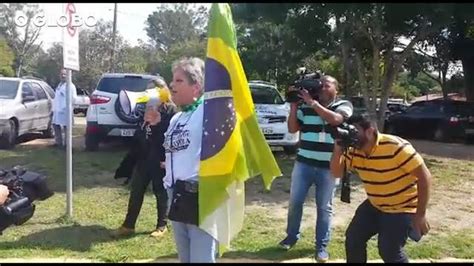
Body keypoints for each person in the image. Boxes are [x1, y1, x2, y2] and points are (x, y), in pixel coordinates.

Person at [329, 113, 432, 263]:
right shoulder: (353, 150)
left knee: (389, 251)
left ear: (369, 131)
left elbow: (425, 178)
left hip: (401, 207)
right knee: (353, 239)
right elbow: (336, 173)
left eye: (355, 131)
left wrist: (420, 214)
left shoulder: (396, 147)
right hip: (375, 203)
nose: (352, 135)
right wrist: (338, 148)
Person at [279, 75, 353, 262]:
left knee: (324, 207)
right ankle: (291, 237)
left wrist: (313, 103)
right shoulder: (306, 106)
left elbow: (336, 120)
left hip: (329, 167)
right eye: (320, 85)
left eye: (327, 85)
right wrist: (295, 104)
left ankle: (321, 247)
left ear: (336, 89)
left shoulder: (343, 105)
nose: (322, 88)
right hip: (304, 163)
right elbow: (293, 128)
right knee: (295, 203)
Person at [162, 57, 218, 263]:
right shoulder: (177, 118)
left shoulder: (208, 111)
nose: (171, 85)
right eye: (172, 80)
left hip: (199, 194)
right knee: (185, 258)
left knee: (201, 258)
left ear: (196, 87)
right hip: (175, 193)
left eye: (178, 81)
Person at [112, 82, 177, 238]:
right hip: (144, 157)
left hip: (160, 158)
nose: (149, 92)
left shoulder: (171, 111)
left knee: (160, 192)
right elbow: (140, 132)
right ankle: (128, 225)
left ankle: (162, 225)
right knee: (136, 191)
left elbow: (169, 136)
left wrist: (156, 123)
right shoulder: (146, 109)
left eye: (153, 89)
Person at [52, 68, 78, 148]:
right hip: (57, 110)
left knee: (67, 128)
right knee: (56, 126)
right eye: (61, 74)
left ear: (68, 75)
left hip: (66, 110)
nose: (63, 76)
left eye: (65, 74)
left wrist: (68, 108)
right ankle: (58, 143)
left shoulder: (71, 86)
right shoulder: (60, 85)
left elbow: (74, 99)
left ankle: (67, 145)